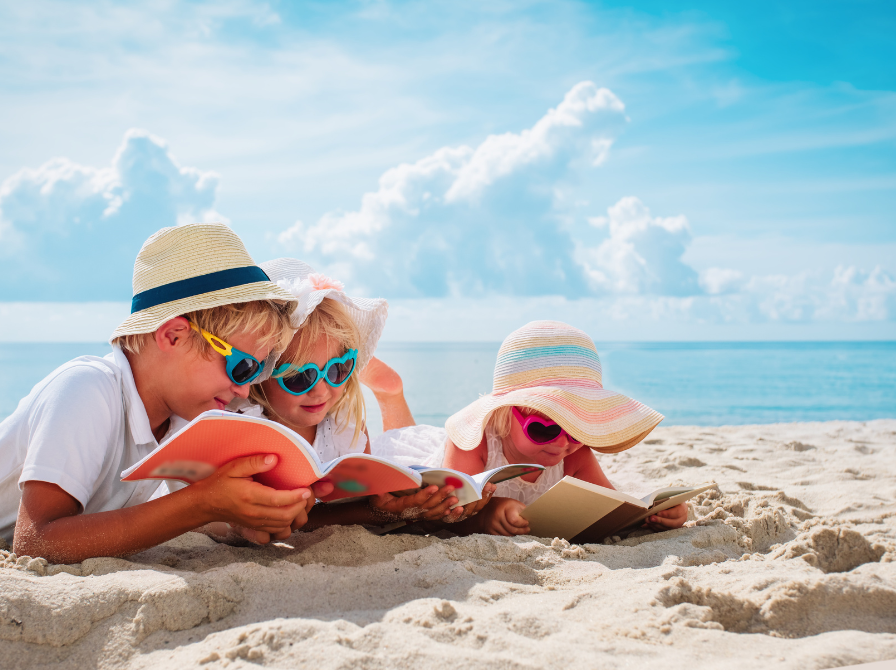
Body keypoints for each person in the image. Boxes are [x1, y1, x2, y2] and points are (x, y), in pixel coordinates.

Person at [0, 224, 331, 563]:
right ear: (173, 336)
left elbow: (165, 514)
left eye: (258, 371)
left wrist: (240, 521)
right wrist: (202, 503)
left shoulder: (178, 418)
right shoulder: (87, 389)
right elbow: (36, 542)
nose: (244, 391)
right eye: (241, 367)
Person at [240, 258, 490, 529]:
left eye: (338, 369)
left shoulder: (345, 427)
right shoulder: (245, 427)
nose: (321, 389)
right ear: (259, 379)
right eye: (300, 377)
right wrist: (376, 512)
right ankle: (388, 391)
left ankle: (390, 392)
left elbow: (370, 498)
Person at [439, 320, 689, 536]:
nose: (562, 444)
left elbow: (614, 509)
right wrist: (487, 514)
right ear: (506, 413)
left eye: (575, 431)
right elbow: (448, 513)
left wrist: (659, 513)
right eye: (543, 429)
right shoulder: (474, 443)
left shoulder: (575, 456)